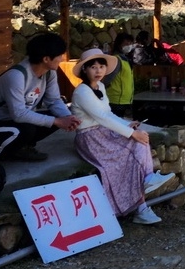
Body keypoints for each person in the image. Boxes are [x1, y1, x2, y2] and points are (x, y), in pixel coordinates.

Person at [71, 48, 174, 225]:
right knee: (128, 154)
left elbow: (108, 113)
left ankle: (147, 183)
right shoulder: (82, 92)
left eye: (101, 66)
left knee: (141, 140)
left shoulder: (101, 87)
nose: (98, 71)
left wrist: (127, 125)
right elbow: (101, 117)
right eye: (93, 67)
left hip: (103, 132)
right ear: (84, 70)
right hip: (90, 138)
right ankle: (141, 203)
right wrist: (131, 133)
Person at [0, 32, 80, 161]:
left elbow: (54, 101)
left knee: (57, 116)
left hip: (14, 122)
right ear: (46, 59)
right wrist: (57, 122)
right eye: (59, 55)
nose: (62, 59)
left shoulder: (49, 73)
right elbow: (18, 114)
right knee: (28, 128)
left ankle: (21, 147)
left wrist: (68, 118)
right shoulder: (16, 76)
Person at [104, 33, 136, 118]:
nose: (129, 46)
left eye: (130, 44)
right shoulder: (116, 59)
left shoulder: (125, 59)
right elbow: (107, 79)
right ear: (119, 44)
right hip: (116, 100)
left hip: (124, 100)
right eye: (126, 44)